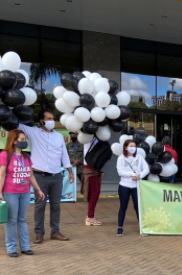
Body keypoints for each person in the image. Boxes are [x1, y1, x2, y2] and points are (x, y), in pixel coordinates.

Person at [19, 109, 74, 244]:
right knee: (40, 205)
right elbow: (16, 124)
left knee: (56, 205)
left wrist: (70, 171)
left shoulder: (59, 137)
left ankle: (55, 231)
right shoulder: (33, 132)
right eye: (48, 119)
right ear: (41, 121)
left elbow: (64, 155)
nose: (51, 121)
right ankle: (39, 233)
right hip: (39, 176)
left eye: (52, 119)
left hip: (56, 176)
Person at [0, 130, 45, 257]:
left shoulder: (26, 156)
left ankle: (25, 247)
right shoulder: (5, 155)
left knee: (22, 220)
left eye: (25, 139)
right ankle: (11, 248)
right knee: (11, 221)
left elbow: (30, 175)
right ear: (14, 141)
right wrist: (0, 192)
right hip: (10, 193)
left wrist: (38, 189)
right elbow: (2, 175)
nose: (24, 142)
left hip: (25, 193)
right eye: (22, 139)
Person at [116, 140, 149, 237]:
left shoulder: (139, 157)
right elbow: (120, 172)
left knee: (138, 206)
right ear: (126, 147)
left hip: (136, 186)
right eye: (131, 146)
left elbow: (146, 169)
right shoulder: (121, 158)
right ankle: (120, 228)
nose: (133, 148)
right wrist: (132, 174)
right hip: (124, 185)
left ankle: (142, 228)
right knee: (123, 206)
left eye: (134, 146)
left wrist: (140, 175)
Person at [81, 138, 104, 226]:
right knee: (94, 193)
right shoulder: (88, 138)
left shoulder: (98, 139)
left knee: (96, 193)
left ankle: (90, 216)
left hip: (96, 168)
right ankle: (90, 217)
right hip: (90, 168)